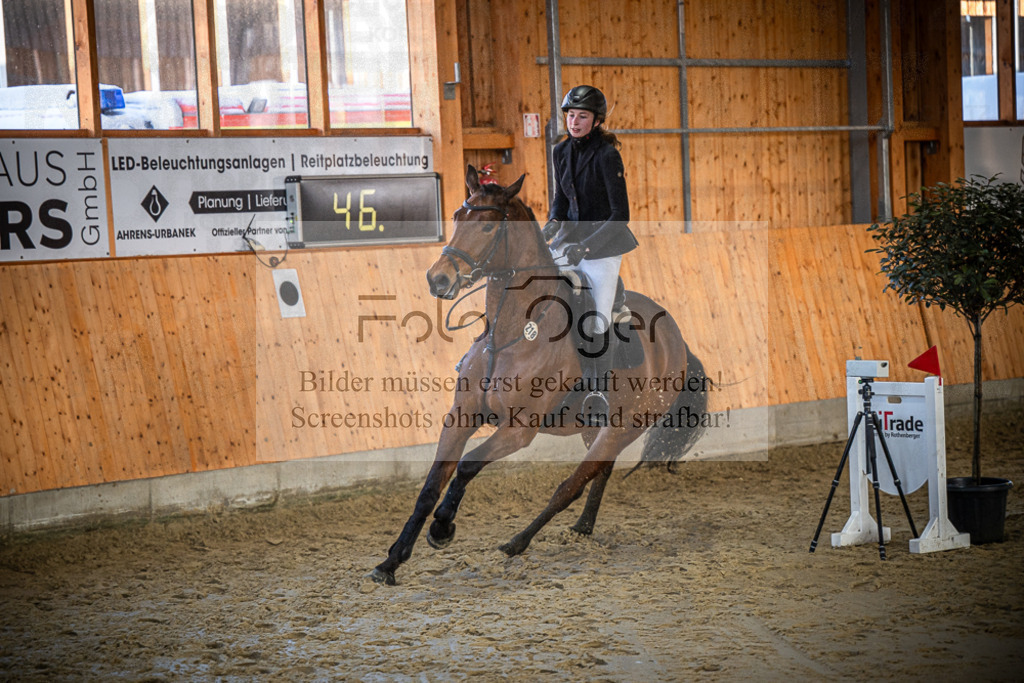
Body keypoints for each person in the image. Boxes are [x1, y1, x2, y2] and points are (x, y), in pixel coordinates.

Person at [543, 84, 638, 425]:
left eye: (582, 116)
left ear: (596, 121)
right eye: (570, 115)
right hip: (569, 242)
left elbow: (620, 215)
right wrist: (550, 227)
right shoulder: (560, 151)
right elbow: (561, 202)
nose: (574, 122)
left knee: (596, 319)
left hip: (603, 248)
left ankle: (599, 392)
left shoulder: (607, 156)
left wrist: (586, 247)